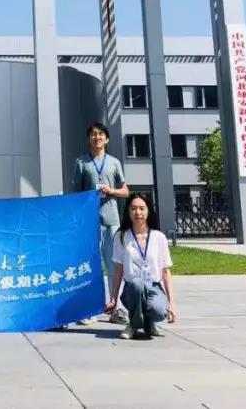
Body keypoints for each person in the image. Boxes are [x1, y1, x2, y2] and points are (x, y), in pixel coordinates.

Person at [71, 121, 129, 324]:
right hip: (90, 222)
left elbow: (125, 191)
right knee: (91, 265)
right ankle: (89, 309)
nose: (97, 137)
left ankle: (116, 308)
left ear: (107, 139)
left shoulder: (114, 163)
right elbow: (76, 195)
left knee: (114, 264)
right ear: (89, 139)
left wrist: (110, 190)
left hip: (112, 220)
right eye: (93, 134)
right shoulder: (81, 162)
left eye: (101, 134)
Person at [105, 192, 177, 340]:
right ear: (128, 211)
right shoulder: (121, 236)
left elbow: (165, 271)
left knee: (160, 312)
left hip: (153, 287)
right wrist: (113, 298)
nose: (137, 212)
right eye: (133, 208)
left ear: (148, 211)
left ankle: (149, 323)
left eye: (142, 208)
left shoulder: (159, 237)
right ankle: (133, 325)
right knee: (137, 283)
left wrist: (172, 303)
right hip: (132, 288)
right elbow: (118, 270)